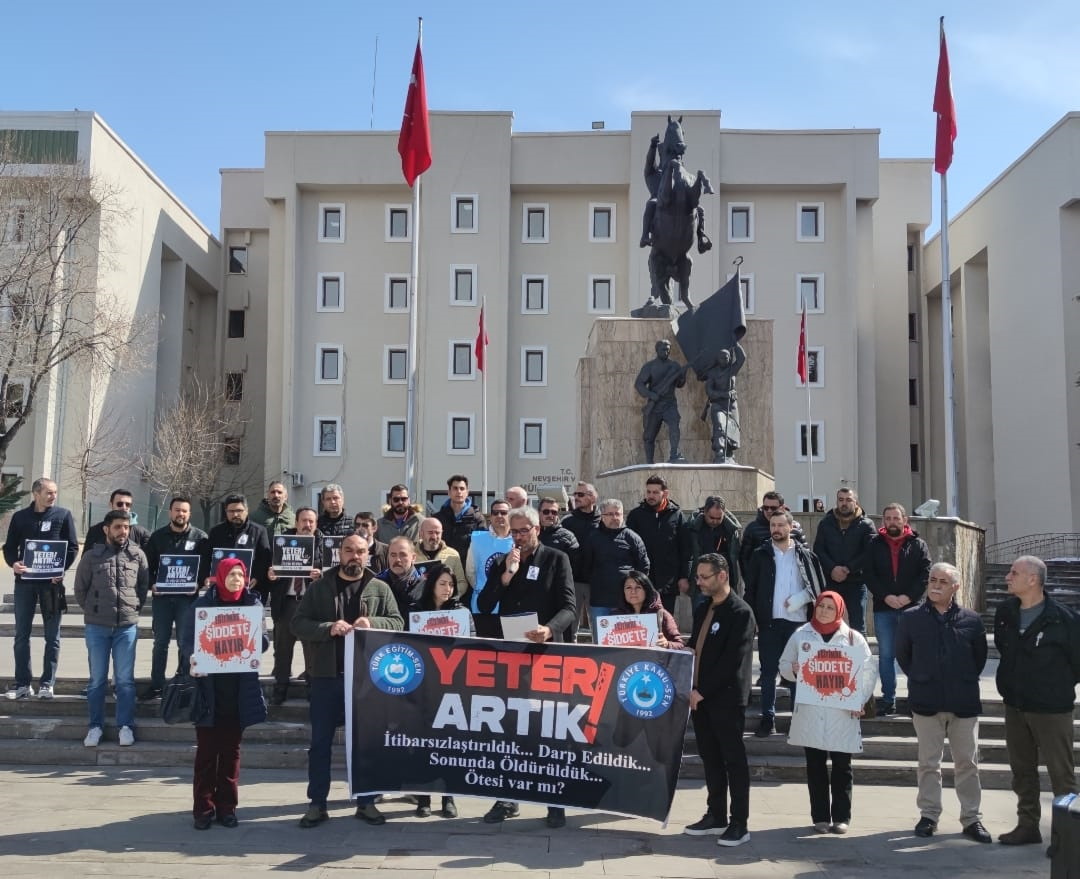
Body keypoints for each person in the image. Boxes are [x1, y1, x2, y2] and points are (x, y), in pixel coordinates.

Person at [292, 533, 404, 828]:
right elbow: (298, 624)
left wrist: (373, 623)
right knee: (320, 744)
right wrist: (328, 627)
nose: (355, 556)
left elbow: (397, 622)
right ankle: (317, 803)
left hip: (367, 680)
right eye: (349, 551)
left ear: (369, 555)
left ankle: (367, 801)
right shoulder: (319, 588)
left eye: (361, 551)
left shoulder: (379, 588)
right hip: (326, 677)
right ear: (339, 554)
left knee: (367, 743)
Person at [478, 507, 576, 829]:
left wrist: (549, 628)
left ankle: (555, 801)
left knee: (547, 728)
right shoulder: (503, 560)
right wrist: (506, 574)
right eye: (514, 532)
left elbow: (569, 607)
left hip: (545, 651)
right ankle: (507, 798)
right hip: (512, 653)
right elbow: (484, 603)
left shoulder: (556, 559)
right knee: (511, 728)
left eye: (524, 531)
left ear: (537, 528)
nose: (519, 537)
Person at [895, 562, 991, 843]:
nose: (935, 585)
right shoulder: (911, 618)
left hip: (963, 703)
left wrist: (960, 678)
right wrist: (923, 677)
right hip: (926, 701)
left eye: (943, 581)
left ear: (955, 587)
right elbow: (904, 656)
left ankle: (972, 819)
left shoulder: (972, 620)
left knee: (967, 763)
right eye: (932, 580)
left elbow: (979, 659)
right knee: (928, 763)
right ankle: (929, 815)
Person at [993, 555, 1080, 847]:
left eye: (1014, 572)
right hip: (1016, 705)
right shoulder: (1006, 612)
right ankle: (1027, 825)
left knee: (1061, 775)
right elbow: (1005, 652)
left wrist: (1055, 686)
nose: (1008, 577)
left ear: (1033, 579)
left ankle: (1067, 838)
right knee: (1022, 771)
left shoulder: (1064, 619)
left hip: (1052, 709)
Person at [779, 591, 877, 834]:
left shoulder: (854, 639)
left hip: (842, 712)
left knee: (843, 766)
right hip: (811, 710)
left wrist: (859, 699)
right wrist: (793, 669)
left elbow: (867, 672)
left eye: (830, 608)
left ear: (840, 611)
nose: (823, 611)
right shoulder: (801, 635)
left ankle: (841, 817)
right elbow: (783, 666)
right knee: (815, 766)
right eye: (821, 606)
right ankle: (820, 817)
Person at [184, 557, 269, 829]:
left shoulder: (252, 605)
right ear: (220, 576)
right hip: (209, 691)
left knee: (231, 753)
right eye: (231, 574)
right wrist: (193, 659)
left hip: (239, 690)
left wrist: (256, 638)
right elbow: (187, 642)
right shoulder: (203, 605)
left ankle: (227, 808)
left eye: (240, 575)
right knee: (207, 754)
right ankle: (203, 809)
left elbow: (263, 642)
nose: (236, 579)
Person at [684, 554, 755, 847]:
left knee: (733, 760)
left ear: (722, 576)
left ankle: (740, 822)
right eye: (697, 576)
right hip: (700, 698)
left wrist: (703, 690)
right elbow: (695, 646)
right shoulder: (703, 609)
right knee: (710, 758)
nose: (698, 582)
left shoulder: (740, 613)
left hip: (725, 699)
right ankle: (716, 815)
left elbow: (731, 662)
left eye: (704, 577)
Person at [744, 509, 827, 738]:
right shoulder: (760, 554)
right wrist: (752, 620)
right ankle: (767, 718)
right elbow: (750, 590)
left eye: (781, 525)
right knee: (768, 672)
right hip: (769, 622)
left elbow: (818, 587)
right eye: (773, 525)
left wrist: (800, 599)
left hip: (798, 624)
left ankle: (797, 718)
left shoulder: (805, 555)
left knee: (795, 673)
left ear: (791, 527)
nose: (776, 530)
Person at [73, 509, 149, 747]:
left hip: (126, 627)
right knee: (97, 680)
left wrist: (131, 608)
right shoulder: (92, 556)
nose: (123, 532)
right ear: (107, 529)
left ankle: (125, 725)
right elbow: (80, 589)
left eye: (126, 527)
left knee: (125, 680)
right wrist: (94, 610)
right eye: (118, 527)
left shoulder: (137, 555)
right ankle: (95, 726)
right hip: (97, 627)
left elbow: (142, 588)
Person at [3, 477, 79, 700]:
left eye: (55, 492)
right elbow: (9, 548)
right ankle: (23, 683)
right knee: (21, 635)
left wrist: (61, 570)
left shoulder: (63, 516)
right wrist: (14, 563)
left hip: (51, 586)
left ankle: (47, 683)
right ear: (35, 494)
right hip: (25, 584)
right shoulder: (20, 517)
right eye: (48, 492)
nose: (53, 496)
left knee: (52, 636)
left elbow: (73, 547)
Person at [409, 562, 466, 819]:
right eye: (442, 583)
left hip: (452, 688)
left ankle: (448, 797)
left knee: (449, 744)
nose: (447, 589)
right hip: (424, 687)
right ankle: (423, 798)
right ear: (432, 585)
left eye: (451, 584)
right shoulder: (416, 611)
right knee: (424, 743)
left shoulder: (461, 612)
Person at [140, 495, 210, 701]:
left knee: (185, 642)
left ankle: (184, 684)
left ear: (189, 514)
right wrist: (153, 583)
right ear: (170, 512)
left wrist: (198, 583)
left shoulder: (200, 538)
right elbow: (147, 566)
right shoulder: (157, 537)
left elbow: (205, 567)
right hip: (163, 599)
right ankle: (157, 685)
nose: (180, 514)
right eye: (177, 510)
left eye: (184, 511)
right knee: (160, 642)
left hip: (187, 600)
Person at [865, 503, 931, 716]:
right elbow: (869, 574)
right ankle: (888, 699)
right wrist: (886, 596)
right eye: (888, 518)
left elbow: (925, 574)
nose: (892, 522)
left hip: (912, 610)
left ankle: (916, 700)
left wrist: (907, 597)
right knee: (886, 656)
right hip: (884, 608)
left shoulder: (918, 545)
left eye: (896, 518)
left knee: (915, 656)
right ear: (883, 521)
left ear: (905, 520)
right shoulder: (874, 544)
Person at [264, 506, 325, 705]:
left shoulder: (323, 544)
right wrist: (271, 575)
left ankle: (312, 688)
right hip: (286, 602)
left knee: (311, 651)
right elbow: (269, 572)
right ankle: (280, 688)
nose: (307, 525)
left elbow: (333, 573)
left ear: (316, 524)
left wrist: (321, 575)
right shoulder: (280, 543)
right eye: (304, 521)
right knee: (282, 649)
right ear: (296, 523)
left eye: (311, 522)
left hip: (310, 605)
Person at [579, 499, 650, 636]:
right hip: (600, 600)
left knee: (626, 640)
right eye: (610, 514)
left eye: (618, 514)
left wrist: (634, 586)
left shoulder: (632, 537)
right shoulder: (593, 537)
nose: (614, 518)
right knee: (601, 640)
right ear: (602, 516)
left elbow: (644, 565)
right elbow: (586, 565)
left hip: (627, 601)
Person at [812, 488, 875, 634]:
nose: (844, 503)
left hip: (856, 582)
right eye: (841, 500)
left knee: (858, 626)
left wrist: (848, 568)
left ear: (856, 502)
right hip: (831, 581)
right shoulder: (826, 523)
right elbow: (819, 550)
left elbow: (869, 552)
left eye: (848, 500)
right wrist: (833, 568)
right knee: (827, 622)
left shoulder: (866, 525)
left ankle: (858, 657)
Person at [625, 474, 692, 613]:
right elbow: (627, 548)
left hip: (668, 582)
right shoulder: (635, 515)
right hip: (641, 581)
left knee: (665, 622)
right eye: (648, 492)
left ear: (665, 493)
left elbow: (685, 549)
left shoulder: (677, 515)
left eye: (655, 492)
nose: (651, 496)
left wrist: (684, 576)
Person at [205, 494, 271, 602]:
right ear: (226, 512)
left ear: (247, 510)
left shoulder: (259, 531)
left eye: (239, 510)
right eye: (231, 511)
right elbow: (207, 557)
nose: (235, 514)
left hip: (250, 589)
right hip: (221, 591)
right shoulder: (216, 532)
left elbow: (265, 558)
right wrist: (206, 576)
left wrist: (257, 577)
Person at [464, 498, 514, 637]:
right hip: (482, 608)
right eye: (495, 513)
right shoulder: (477, 539)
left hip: (511, 607)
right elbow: (470, 572)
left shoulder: (519, 540)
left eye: (503, 512)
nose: (499, 516)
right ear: (490, 516)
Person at [634, 339, 688, 464]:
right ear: (657, 350)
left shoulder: (674, 366)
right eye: (663, 349)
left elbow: (679, 384)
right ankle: (649, 462)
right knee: (649, 436)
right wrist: (651, 395)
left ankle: (674, 454)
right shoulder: (650, 366)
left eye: (668, 350)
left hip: (669, 404)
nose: (666, 352)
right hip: (655, 406)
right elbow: (639, 384)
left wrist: (683, 375)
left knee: (674, 425)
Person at [561, 482, 600, 635]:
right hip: (573, 581)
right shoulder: (567, 521)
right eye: (575, 494)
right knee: (570, 628)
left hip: (596, 582)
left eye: (580, 495)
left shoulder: (603, 521)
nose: (576, 498)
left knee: (599, 629)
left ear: (592, 497)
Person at [738, 491, 803, 582]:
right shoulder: (752, 529)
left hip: (790, 579)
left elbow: (805, 555)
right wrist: (750, 581)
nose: (769, 511)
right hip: (762, 581)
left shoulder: (794, 527)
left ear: (782, 507)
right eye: (765, 507)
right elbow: (744, 558)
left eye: (773, 508)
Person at [686, 495, 741, 599]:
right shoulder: (693, 528)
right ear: (705, 512)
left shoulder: (731, 531)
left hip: (724, 584)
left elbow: (736, 556)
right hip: (700, 584)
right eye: (711, 517)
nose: (715, 521)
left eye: (719, 518)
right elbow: (686, 555)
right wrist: (685, 578)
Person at [613, 570, 685, 649]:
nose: (633, 591)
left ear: (646, 590)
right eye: (628, 587)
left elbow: (680, 645)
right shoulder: (614, 616)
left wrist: (667, 644)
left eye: (638, 587)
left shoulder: (661, 615)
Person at [434, 474, 485, 560]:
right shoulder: (438, 518)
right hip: (443, 566)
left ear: (467, 492)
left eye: (462, 488)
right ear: (449, 492)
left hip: (468, 568)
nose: (459, 492)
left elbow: (482, 545)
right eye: (455, 488)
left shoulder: (477, 518)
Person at [83, 488, 151, 551]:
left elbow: (147, 562)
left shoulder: (142, 534)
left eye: (127, 505)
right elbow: (86, 560)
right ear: (110, 504)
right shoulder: (95, 531)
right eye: (119, 504)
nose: (124, 507)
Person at [414, 517, 467, 591]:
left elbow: (461, 582)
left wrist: (449, 595)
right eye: (430, 532)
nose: (434, 536)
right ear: (421, 533)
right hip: (418, 601)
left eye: (437, 533)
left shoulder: (453, 555)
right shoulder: (410, 554)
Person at [377, 536, 424, 613]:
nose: (397, 559)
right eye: (393, 555)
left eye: (402, 555)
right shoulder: (378, 584)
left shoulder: (424, 586)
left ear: (413, 558)